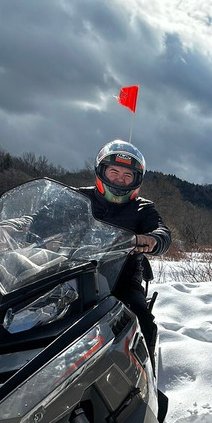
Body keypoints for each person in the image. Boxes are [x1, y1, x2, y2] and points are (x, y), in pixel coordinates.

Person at [32, 140, 170, 357]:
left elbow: (162, 232)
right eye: (114, 171)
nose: (120, 179)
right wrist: (18, 225)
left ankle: (146, 374)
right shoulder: (77, 197)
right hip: (72, 272)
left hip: (122, 279)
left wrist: (153, 239)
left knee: (141, 319)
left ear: (137, 179)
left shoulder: (143, 208)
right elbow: (43, 218)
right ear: (101, 171)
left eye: (128, 175)